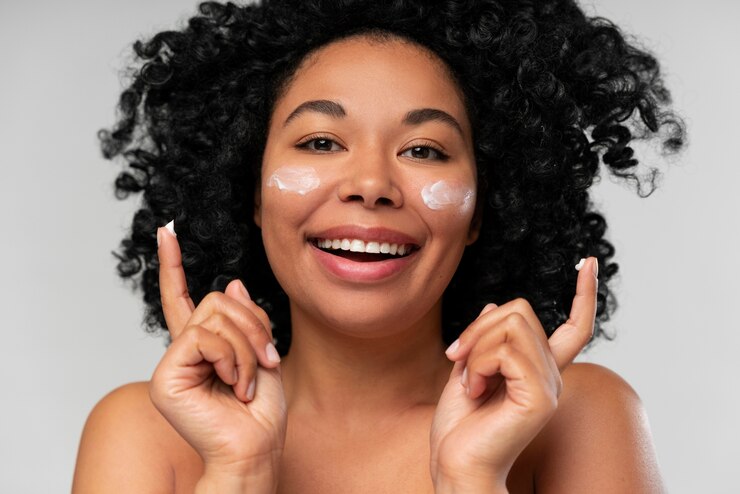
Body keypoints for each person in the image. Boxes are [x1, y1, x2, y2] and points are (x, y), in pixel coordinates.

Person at [73, 0, 684, 492]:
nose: (371, 185)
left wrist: (471, 478)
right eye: (319, 142)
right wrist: (238, 472)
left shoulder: (577, 417)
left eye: (424, 150)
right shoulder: (144, 432)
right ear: (250, 193)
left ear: (483, 209)